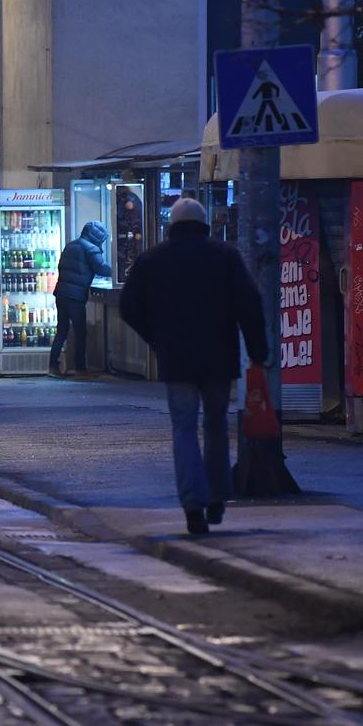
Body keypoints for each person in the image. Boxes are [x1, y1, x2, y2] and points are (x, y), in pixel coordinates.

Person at [118, 197, 269, 536]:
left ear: (172, 224)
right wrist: (258, 351)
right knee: (216, 426)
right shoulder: (224, 256)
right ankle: (217, 496)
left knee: (184, 428)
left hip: (176, 359)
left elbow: (128, 306)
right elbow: (250, 304)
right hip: (219, 358)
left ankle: (192, 505)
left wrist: (155, 337)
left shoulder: (153, 259)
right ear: (204, 224)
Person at [49, 221, 111, 376]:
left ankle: (53, 366)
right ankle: (80, 369)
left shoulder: (71, 245)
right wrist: (120, 270)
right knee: (80, 332)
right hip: (75, 296)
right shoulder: (90, 248)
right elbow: (102, 268)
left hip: (61, 293)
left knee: (62, 331)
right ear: (97, 237)